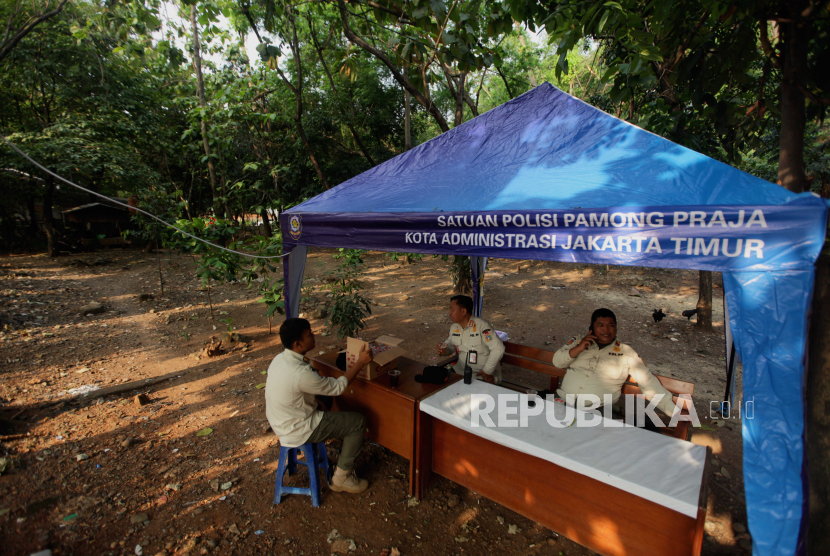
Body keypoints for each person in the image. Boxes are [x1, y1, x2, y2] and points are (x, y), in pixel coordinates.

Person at [266, 318, 373, 494]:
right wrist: (360, 362)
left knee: (324, 399)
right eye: (310, 334)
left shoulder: (279, 359)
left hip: (281, 420)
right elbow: (338, 387)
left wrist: (317, 402)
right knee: (358, 422)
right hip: (298, 428)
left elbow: (297, 392)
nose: (314, 336)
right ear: (298, 343)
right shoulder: (301, 373)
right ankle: (342, 478)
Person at [552, 308, 679, 420]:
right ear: (591, 327)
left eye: (611, 325)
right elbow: (557, 362)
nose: (606, 330)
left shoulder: (626, 352)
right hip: (563, 401)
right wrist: (579, 348)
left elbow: (648, 383)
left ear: (616, 327)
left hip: (598, 410)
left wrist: (676, 414)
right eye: (600, 325)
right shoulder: (578, 342)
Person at [437, 295, 505, 384]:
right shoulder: (454, 327)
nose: (449, 313)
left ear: (463, 311)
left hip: (480, 374)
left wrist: (487, 371)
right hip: (460, 371)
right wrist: (443, 350)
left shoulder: (482, 326)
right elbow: (450, 346)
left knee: (472, 396)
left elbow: (498, 349)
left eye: (452, 309)